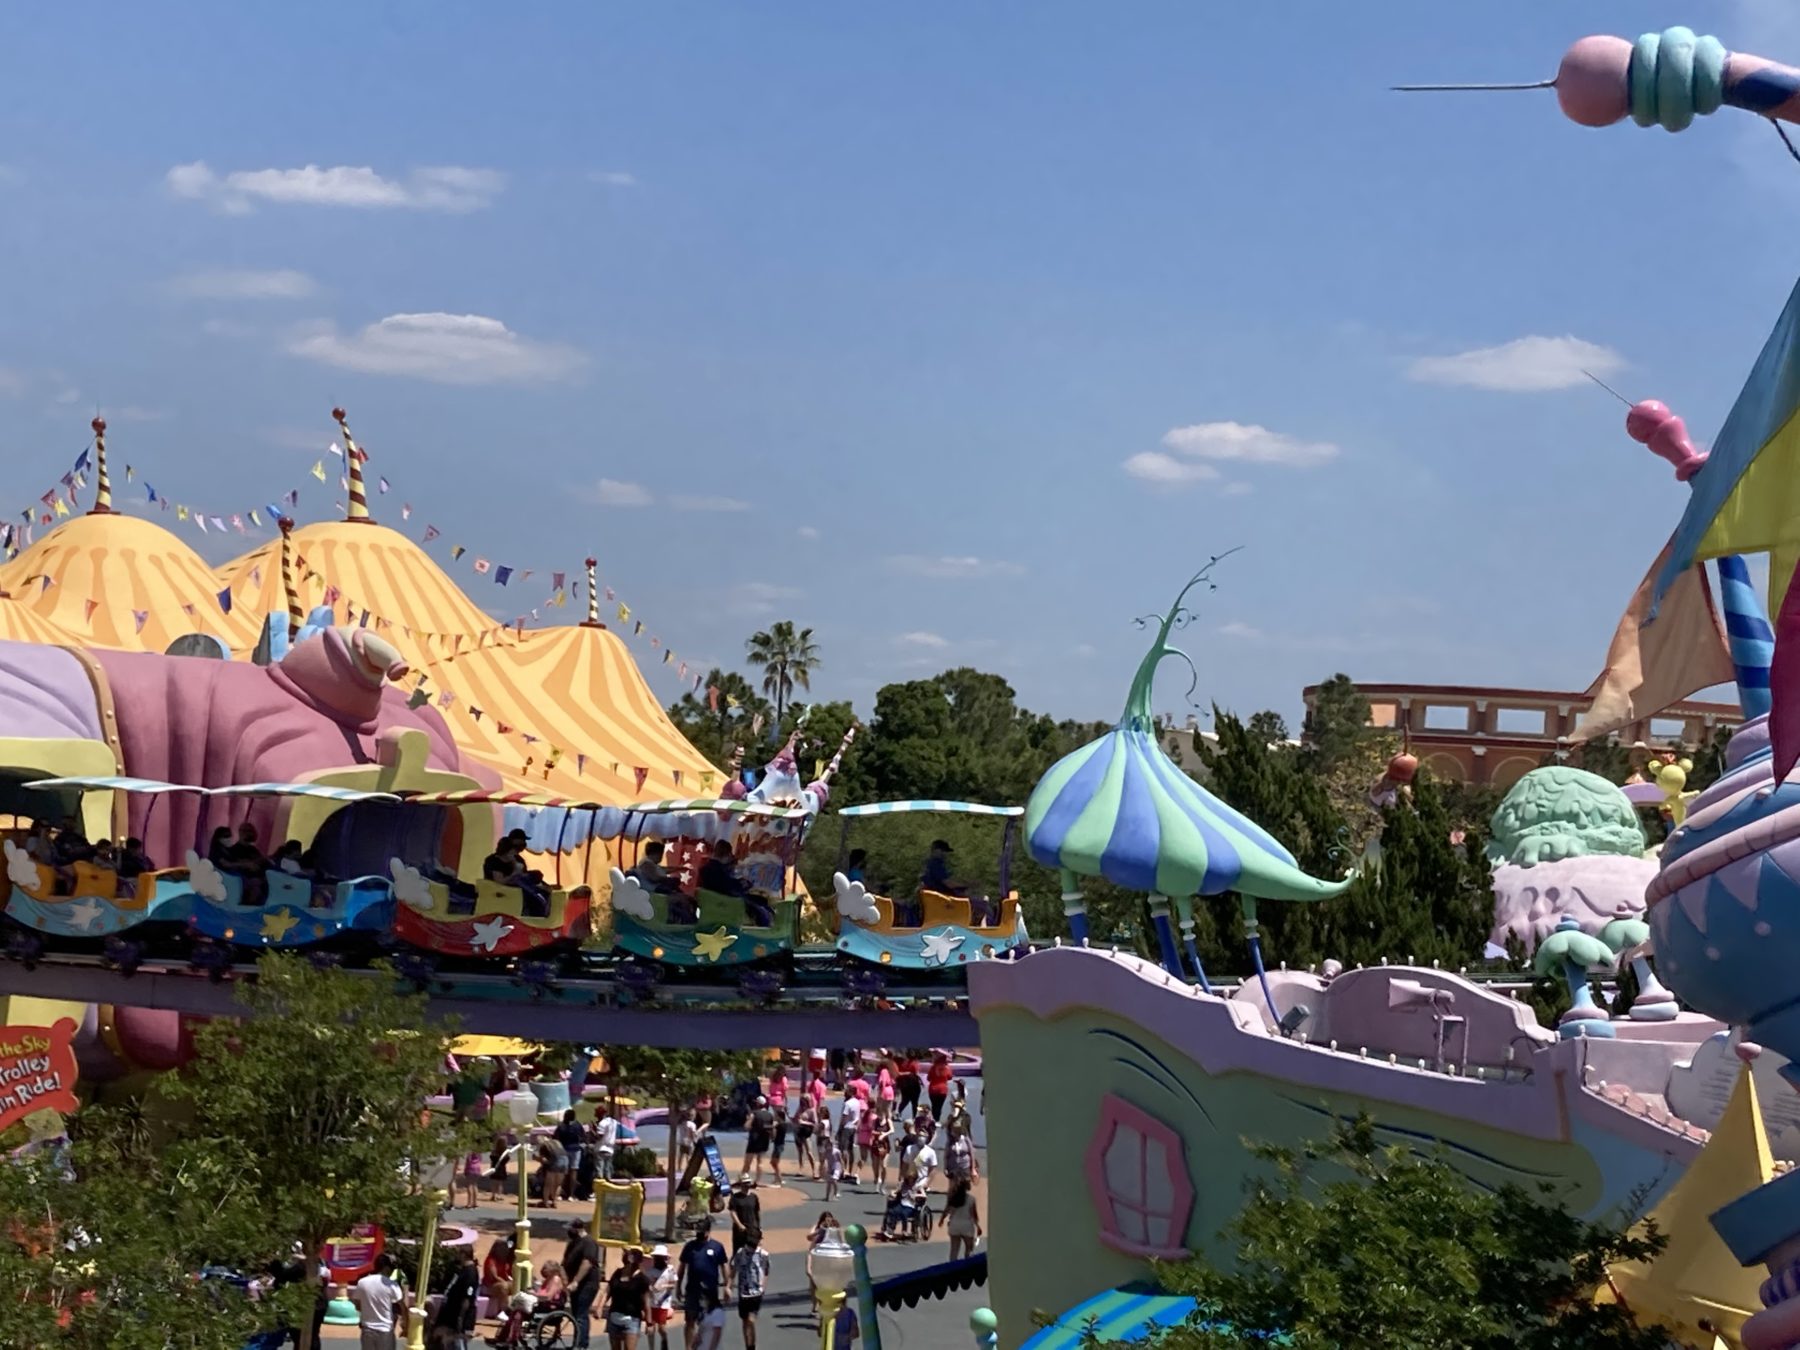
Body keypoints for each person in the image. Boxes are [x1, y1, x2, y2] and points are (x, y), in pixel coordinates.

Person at [676, 1218, 728, 1349]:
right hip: (693, 1290)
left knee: (708, 1321)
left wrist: (728, 1286)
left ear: (708, 1231)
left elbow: (724, 1266)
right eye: (698, 1231)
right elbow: (682, 1267)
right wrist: (678, 1286)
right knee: (690, 1320)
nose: (699, 1233)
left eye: (702, 1231)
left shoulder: (717, 1247)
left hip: (710, 1292)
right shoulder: (690, 1247)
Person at [564, 1216, 605, 1350]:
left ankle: (581, 1344)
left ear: (578, 1229)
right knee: (576, 1313)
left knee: (581, 1313)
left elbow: (587, 1263)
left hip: (587, 1284)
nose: (568, 1232)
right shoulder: (572, 1243)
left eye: (571, 1229)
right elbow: (564, 1263)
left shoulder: (588, 1242)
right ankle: (578, 1340)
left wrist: (576, 1281)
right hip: (574, 1284)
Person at [352, 1252, 408, 1350]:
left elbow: (356, 1303)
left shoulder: (362, 1282)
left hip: (367, 1329)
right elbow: (403, 1306)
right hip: (385, 1330)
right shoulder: (391, 1285)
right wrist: (406, 1325)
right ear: (386, 1267)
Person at [601, 1246, 651, 1350]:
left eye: (628, 1254)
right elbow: (608, 1291)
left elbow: (646, 1301)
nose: (625, 1257)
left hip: (632, 1320)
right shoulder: (618, 1273)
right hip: (614, 1317)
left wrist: (649, 1322)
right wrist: (599, 1307)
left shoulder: (642, 1279)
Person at [729, 1228, 771, 1350]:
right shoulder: (740, 1253)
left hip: (756, 1293)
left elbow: (766, 1270)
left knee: (751, 1320)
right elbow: (733, 1270)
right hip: (743, 1292)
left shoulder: (764, 1255)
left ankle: (752, 1346)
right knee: (744, 1320)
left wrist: (763, 1285)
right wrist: (728, 1286)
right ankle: (747, 1344)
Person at [431, 1250, 480, 1350]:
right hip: (449, 1314)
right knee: (444, 1341)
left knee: (457, 1342)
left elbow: (467, 1298)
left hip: (458, 1316)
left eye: (459, 1253)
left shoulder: (470, 1272)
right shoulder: (461, 1270)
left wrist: (461, 1318)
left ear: (464, 1254)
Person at [805, 1212, 841, 1321]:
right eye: (826, 1219)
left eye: (830, 1219)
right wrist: (819, 1231)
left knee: (824, 1286)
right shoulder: (818, 1228)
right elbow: (809, 1239)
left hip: (827, 1261)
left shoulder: (834, 1229)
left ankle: (823, 1308)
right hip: (816, 1256)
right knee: (813, 1285)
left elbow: (840, 1242)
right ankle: (815, 1306)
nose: (828, 1221)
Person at [646, 1245, 678, 1350]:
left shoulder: (670, 1270)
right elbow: (647, 1283)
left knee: (661, 1328)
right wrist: (650, 1288)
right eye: (656, 1257)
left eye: (660, 1257)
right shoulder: (650, 1271)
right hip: (651, 1302)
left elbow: (673, 1284)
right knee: (650, 1328)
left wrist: (664, 1286)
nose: (658, 1260)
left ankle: (664, 1340)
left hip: (663, 1303)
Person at [945, 1178, 982, 1260]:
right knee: (969, 1250)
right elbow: (974, 1215)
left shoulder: (952, 1198)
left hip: (954, 1225)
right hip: (967, 1226)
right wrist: (978, 1226)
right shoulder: (971, 1199)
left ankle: (952, 1269)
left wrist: (941, 1220)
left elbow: (947, 1210)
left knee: (954, 1251)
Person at [556, 1110, 587, 1201]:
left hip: (564, 1150)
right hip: (576, 1150)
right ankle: (571, 1194)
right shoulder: (577, 1125)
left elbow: (556, 1137)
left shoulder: (561, 1126)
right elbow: (583, 1137)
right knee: (574, 1171)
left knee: (563, 1172)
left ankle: (560, 1193)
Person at [726, 1175, 760, 1254]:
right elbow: (732, 1212)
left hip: (752, 1228)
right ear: (741, 1185)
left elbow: (757, 1212)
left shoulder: (754, 1197)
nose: (746, 1185)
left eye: (748, 1183)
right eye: (744, 1183)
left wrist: (758, 1226)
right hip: (740, 1229)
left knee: (752, 1250)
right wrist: (739, 1225)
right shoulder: (735, 1197)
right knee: (738, 1250)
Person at [743, 1097, 773, 1185]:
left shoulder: (754, 1114)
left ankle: (744, 1178)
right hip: (764, 1140)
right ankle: (757, 1181)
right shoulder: (770, 1115)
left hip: (754, 1140)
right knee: (760, 1162)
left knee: (748, 1161)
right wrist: (772, 1137)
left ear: (758, 1104)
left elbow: (746, 1126)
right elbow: (772, 1129)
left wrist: (748, 1119)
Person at [837, 1091, 864, 1185]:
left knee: (843, 1149)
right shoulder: (857, 1102)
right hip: (854, 1127)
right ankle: (850, 1169)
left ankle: (844, 1170)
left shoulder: (847, 1104)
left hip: (846, 1127)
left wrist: (839, 1129)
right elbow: (859, 1116)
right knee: (850, 1149)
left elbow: (844, 1117)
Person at [482, 1235, 516, 1308]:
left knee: (516, 1285)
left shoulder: (504, 1260)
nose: (506, 1249)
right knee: (503, 1287)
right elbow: (494, 1277)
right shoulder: (491, 1260)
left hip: (500, 1282)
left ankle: (515, 1307)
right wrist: (505, 1282)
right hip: (489, 1286)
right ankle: (502, 1310)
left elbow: (507, 1274)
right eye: (503, 1247)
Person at [536, 1133, 569, 1207]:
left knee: (548, 1184)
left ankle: (545, 1202)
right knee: (558, 1184)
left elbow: (544, 1160)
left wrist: (536, 1159)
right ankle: (554, 1202)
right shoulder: (557, 1142)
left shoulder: (544, 1146)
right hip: (565, 1161)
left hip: (555, 1162)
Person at [593, 1105, 620, 1183]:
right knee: (608, 1170)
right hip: (610, 1149)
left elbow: (598, 1137)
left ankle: (600, 1187)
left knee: (599, 1170)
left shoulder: (602, 1123)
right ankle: (609, 1185)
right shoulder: (613, 1122)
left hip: (601, 1148)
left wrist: (593, 1130)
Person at [793, 1095, 817, 1177]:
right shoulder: (799, 1109)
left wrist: (804, 1122)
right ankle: (801, 1168)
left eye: (804, 1100)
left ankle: (814, 1170)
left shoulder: (811, 1110)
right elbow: (795, 1119)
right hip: (798, 1131)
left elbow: (814, 1123)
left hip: (806, 1132)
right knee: (800, 1152)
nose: (802, 1102)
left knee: (809, 1152)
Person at [927, 1052, 953, 1121]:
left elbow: (928, 1078)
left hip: (933, 1089)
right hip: (943, 1090)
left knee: (934, 1105)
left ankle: (933, 1120)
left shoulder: (933, 1068)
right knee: (939, 1106)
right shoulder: (947, 1068)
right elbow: (950, 1077)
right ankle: (937, 1120)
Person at [895, 1053, 922, 1117]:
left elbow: (899, 1073)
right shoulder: (915, 1064)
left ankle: (899, 1111)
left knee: (904, 1100)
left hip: (905, 1085)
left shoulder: (904, 1064)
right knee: (915, 1102)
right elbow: (917, 1074)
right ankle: (914, 1116)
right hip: (914, 1085)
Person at [769, 1104, 789, 1186]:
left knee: (774, 1163)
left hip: (778, 1145)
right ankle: (776, 1178)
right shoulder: (783, 1124)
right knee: (774, 1162)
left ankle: (779, 1180)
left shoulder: (779, 1125)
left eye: (776, 1115)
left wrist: (772, 1131)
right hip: (780, 1144)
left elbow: (773, 1134)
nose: (775, 1116)